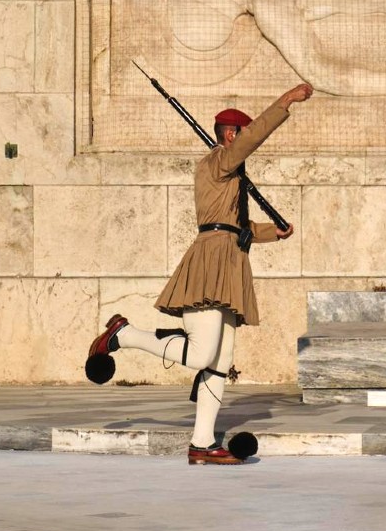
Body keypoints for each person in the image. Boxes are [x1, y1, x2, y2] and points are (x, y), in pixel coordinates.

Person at [86, 82, 314, 465]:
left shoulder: (230, 176)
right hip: (211, 263)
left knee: (219, 361)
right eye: (241, 134)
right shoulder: (218, 161)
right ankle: (124, 335)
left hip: (230, 262)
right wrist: (285, 101)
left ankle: (203, 443)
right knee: (200, 353)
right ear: (230, 134)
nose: (243, 141)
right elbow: (252, 141)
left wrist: (269, 232)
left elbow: (233, 225)